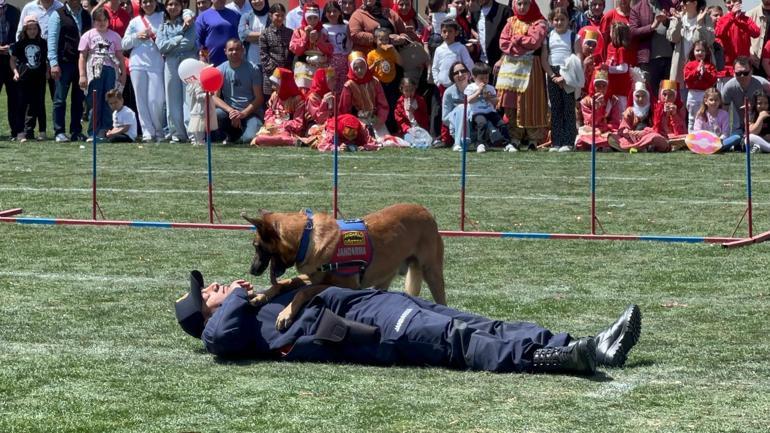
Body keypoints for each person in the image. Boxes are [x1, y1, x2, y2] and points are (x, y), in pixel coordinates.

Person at [174, 270, 642, 375]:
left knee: (480, 323)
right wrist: (236, 295)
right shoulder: (223, 332)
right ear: (207, 312)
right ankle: (562, 359)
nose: (218, 285)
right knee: (457, 340)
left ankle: (582, 344)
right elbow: (218, 339)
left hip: (368, 302)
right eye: (210, 292)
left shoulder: (253, 307)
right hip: (366, 328)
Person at [496, 0, 548, 151]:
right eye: (519, 3)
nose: (522, 7)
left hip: (532, 68)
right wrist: (520, 47)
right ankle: (515, 137)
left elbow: (534, 42)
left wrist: (517, 38)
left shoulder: (539, 22)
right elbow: (503, 42)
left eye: (525, 3)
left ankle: (533, 139)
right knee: (511, 102)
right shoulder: (511, 21)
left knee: (531, 102)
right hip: (511, 69)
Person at [78, 7, 125, 141]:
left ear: (108, 21)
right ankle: (93, 131)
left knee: (108, 100)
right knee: (94, 100)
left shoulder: (115, 36)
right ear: (94, 22)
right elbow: (82, 56)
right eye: (98, 21)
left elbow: (120, 57)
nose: (102, 23)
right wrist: (82, 75)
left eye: (104, 20)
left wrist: (123, 75)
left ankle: (105, 130)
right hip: (94, 71)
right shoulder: (88, 35)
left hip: (110, 71)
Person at [48, 0, 91, 143]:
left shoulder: (86, 15)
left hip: (81, 63)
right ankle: (59, 131)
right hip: (63, 63)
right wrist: (53, 63)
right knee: (60, 99)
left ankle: (76, 131)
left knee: (78, 99)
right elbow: (52, 40)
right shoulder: (57, 14)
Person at [122, 0, 165, 142]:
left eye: (150, 1)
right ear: (140, 4)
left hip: (157, 64)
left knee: (156, 100)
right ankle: (147, 131)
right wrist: (137, 36)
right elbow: (124, 44)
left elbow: (183, 14)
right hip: (137, 64)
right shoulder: (135, 21)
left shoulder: (163, 16)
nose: (148, 5)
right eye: (144, 2)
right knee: (141, 100)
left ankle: (159, 131)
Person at [157, 0, 196, 143]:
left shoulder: (189, 21)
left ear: (182, 6)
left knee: (189, 98)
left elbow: (189, 43)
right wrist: (179, 36)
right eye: (170, 4)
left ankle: (192, 133)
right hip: (171, 64)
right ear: (166, 7)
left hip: (188, 62)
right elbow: (161, 46)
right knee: (172, 99)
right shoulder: (163, 25)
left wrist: (171, 45)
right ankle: (177, 134)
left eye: (176, 4)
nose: (173, 7)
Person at [213, 38, 264, 144]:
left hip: (250, 113)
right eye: (231, 50)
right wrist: (231, 111)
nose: (234, 52)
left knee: (249, 139)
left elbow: (259, 98)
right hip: (230, 113)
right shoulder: (219, 70)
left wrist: (243, 113)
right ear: (225, 51)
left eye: (237, 49)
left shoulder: (253, 69)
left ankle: (242, 137)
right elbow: (214, 97)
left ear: (243, 50)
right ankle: (231, 135)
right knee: (216, 114)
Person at [542, 7, 578, 152]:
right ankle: (556, 142)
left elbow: (578, 57)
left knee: (568, 108)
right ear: (551, 21)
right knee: (556, 109)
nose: (559, 22)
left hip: (568, 73)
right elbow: (544, 59)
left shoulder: (574, 36)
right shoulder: (548, 37)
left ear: (568, 21)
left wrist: (566, 76)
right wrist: (552, 76)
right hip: (553, 73)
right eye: (556, 20)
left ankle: (568, 142)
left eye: (562, 19)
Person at [11, 15, 47, 143]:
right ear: (25, 30)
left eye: (35, 28)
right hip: (23, 79)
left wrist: (47, 72)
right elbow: (13, 60)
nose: (32, 31)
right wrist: (15, 72)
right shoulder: (19, 44)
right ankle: (21, 132)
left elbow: (45, 60)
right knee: (21, 105)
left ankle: (42, 131)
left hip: (39, 78)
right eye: (30, 29)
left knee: (39, 105)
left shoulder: (43, 43)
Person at [666, 0, 713, 99]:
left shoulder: (705, 18)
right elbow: (673, 38)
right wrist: (678, 22)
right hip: (680, 68)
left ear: (695, 2)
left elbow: (709, 41)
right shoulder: (677, 17)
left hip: (700, 68)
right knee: (680, 104)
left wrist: (700, 24)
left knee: (700, 106)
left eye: (684, 1)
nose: (681, 4)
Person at [629, 0, 677, 97]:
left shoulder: (668, 4)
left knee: (668, 94)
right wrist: (652, 26)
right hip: (649, 60)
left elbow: (678, 25)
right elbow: (633, 32)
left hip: (670, 58)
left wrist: (666, 22)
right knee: (651, 95)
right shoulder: (637, 8)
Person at [338, 50, 389, 137]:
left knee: (384, 140)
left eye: (362, 67)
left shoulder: (374, 81)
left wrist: (380, 119)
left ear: (366, 66)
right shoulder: (349, 85)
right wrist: (350, 124)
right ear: (351, 69)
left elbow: (382, 104)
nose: (359, 70)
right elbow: (344, 109)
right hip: (358, 119)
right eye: (356, 68)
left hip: (375, 118)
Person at [251, 67, 306, 146]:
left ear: (285, 84)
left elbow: (298, 123)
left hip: (287, 130)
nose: (273, 87)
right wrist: (271, 123)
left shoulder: (297, 100)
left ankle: (290, 141)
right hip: (273, 129)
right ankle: (288, 141)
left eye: (276, 84)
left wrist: (281, 124)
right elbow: (269, 114)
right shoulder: (275, 96)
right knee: (261, 137)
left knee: (282, 136)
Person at [465, 61, 510, 153]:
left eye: (486, 78)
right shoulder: (471, 87)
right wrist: (478, 92)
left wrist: (488, 98)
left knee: (501, 124)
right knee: (482, 123)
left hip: (490, 112)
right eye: (481, 78)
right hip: (477, 113)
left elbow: (496, 101)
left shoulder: (490, 88)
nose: (484, 80)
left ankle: (507, 143)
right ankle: (480, 144)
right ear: (474, 77)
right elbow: (469, 100)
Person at [721, 57, 770, 137]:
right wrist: (723, 133)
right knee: (736, 139)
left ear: (751, 71)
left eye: (745, 72)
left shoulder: (763, 84)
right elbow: (723, 113)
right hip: (741, 126)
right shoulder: (728, 88)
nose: (742, 76)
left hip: (763, 125)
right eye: (738, 73)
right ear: (734, 72)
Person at [616, 81, 670, 152]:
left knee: (656, 138)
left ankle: (633, 147)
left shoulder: (656, 110)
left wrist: (644, 132)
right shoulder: (630, 111)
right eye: (637, 96)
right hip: (633, 138)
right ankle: (642, 147)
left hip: (649, 136)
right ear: (633, 97)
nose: (640, 99)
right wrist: (629, 132)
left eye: (643, 96)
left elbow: (659, 129)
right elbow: (623, 129)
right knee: (612, 136)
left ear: (648, 96)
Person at [289, 2, 332, 89]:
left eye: (315, 18)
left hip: (320, 67)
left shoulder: (323, 32)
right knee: (304, 94)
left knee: (319, 93)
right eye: (309, 18)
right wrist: (305, 36)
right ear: (305, 17)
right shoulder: (298, 31)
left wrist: (318, 40)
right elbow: (296, 50)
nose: (312, 21)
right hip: (303, 69)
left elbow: (329, 50)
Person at [348, 0, 417, 54]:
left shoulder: (388, 12)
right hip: (373, 59)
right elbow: (354, 34)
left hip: (393, 57)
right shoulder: (357, 15)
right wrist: (381, 38)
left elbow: (404, 31)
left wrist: (402, 38)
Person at [577, 69, 620, 150]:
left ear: (608, 86)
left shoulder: (613, 100)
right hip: (591, 130)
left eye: (604, 86)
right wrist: (596, 109)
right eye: (598, 85)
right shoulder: (586, 101)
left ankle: (601, 145)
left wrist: (604, 129)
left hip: (607, 130)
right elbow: (590, 123)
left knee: (618, 135)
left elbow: (615, 122)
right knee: (582, 138)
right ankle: (604, 145)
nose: (601, 88)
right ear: (593, 86)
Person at [715, 0, 758, 78]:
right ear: (725, 4)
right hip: (727, 70)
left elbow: (756, 33)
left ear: (740, 2)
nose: (732, 4)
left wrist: (740, 22)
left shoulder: (746, 19)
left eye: (734, 1)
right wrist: (732, 15)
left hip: (744, 67)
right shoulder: (722, 19)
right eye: (728, 2)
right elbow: (718, 33)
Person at [259, 3, 293, 98]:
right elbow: (263, 56)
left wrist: (286, 71)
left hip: (287, 75)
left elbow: (292, 54)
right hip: (271, 77)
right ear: (270, 15)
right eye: (277, 15)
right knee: (271, 106)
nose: (280, 18)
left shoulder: (290, 33)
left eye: (282, 15)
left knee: (286, 105)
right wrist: (277, 72)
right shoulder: (265, 34)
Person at [682, 40, 717, 132]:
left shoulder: (710, 66)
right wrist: (696, 71)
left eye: (702, 51)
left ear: (706, 52)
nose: (700, 53)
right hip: (693, 94)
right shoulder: (689, 65)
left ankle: (705, 137)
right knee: (692, 118)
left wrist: (705, 72)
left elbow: (713, 80)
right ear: (693, 52)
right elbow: (687, 78)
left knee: (706, 117)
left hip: (705, 94)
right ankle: (691, 138)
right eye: (697, 50)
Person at [0, 0, 23, 140]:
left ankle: (16, 131)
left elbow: (20, 35)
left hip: (11, 60)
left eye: (2, 8)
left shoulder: (15, 13)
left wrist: (12, 48)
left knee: (14, 98)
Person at [692, 88, 740, 152]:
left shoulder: (724, 114)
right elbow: (697, 131)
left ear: (720, 101)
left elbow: (725, 133)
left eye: (716, 100)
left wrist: (718, 140)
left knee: (737, 137)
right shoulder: (701, 114)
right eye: (711, 100)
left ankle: (717, 148)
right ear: (706, 101)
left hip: (719, 142)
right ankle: (715, 149)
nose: (713, 102)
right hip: (704, 142)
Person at [471, 0, 512, 72]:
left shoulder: (504, 11)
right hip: (481, 65)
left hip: (499, 64)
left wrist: (502, 59)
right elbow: (473, 28)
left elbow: (511, 38)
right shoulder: (475, 11)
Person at [195, 0, 240, 66]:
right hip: (212, 62)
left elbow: (242, 37)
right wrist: (204, 58)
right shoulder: (202, 17)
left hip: (234, 61)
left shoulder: (236, 15)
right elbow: (198, 41)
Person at [322, 0, 350, 95]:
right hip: (330, 62)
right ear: (325, 14)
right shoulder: (323, 28)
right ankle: (331, 109)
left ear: (339, 12)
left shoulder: (346, 25)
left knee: (344, 89)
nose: (332, 14)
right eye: (329, 11)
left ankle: (342, 109)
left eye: (335, 11)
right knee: (331, 88)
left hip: (345, 62)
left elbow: (350, 42)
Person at [441, 60, 470, 151]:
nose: (460, 74)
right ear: (452, 77)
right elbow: (445, 119)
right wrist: (458, 116)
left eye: (463, 71)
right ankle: (458, 143)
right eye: (456, 73)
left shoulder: (475, 89)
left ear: (468, 73)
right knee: (461, 108)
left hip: (473, 124)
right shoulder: (448, 93)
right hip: (455, 128)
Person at [653, 79, 688, 149]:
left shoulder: (680, 108)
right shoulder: (657, 106)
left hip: (676, 136)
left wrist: (674, 115)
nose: (667, 98)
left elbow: (681, 130)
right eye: (664, 94)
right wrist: (664, 115)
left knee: (686, 137)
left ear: (675, 96)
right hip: (661, 135)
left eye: (671, 95)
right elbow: (657, 128)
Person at [237, 0, 270, 69]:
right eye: (253, 0)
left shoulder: (272, 16)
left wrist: (251, 38)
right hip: (251, 63)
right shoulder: (246, 16)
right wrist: (265, 36)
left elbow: (275, 36)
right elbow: (243, 35)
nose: (257, 1)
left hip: (269, 63)